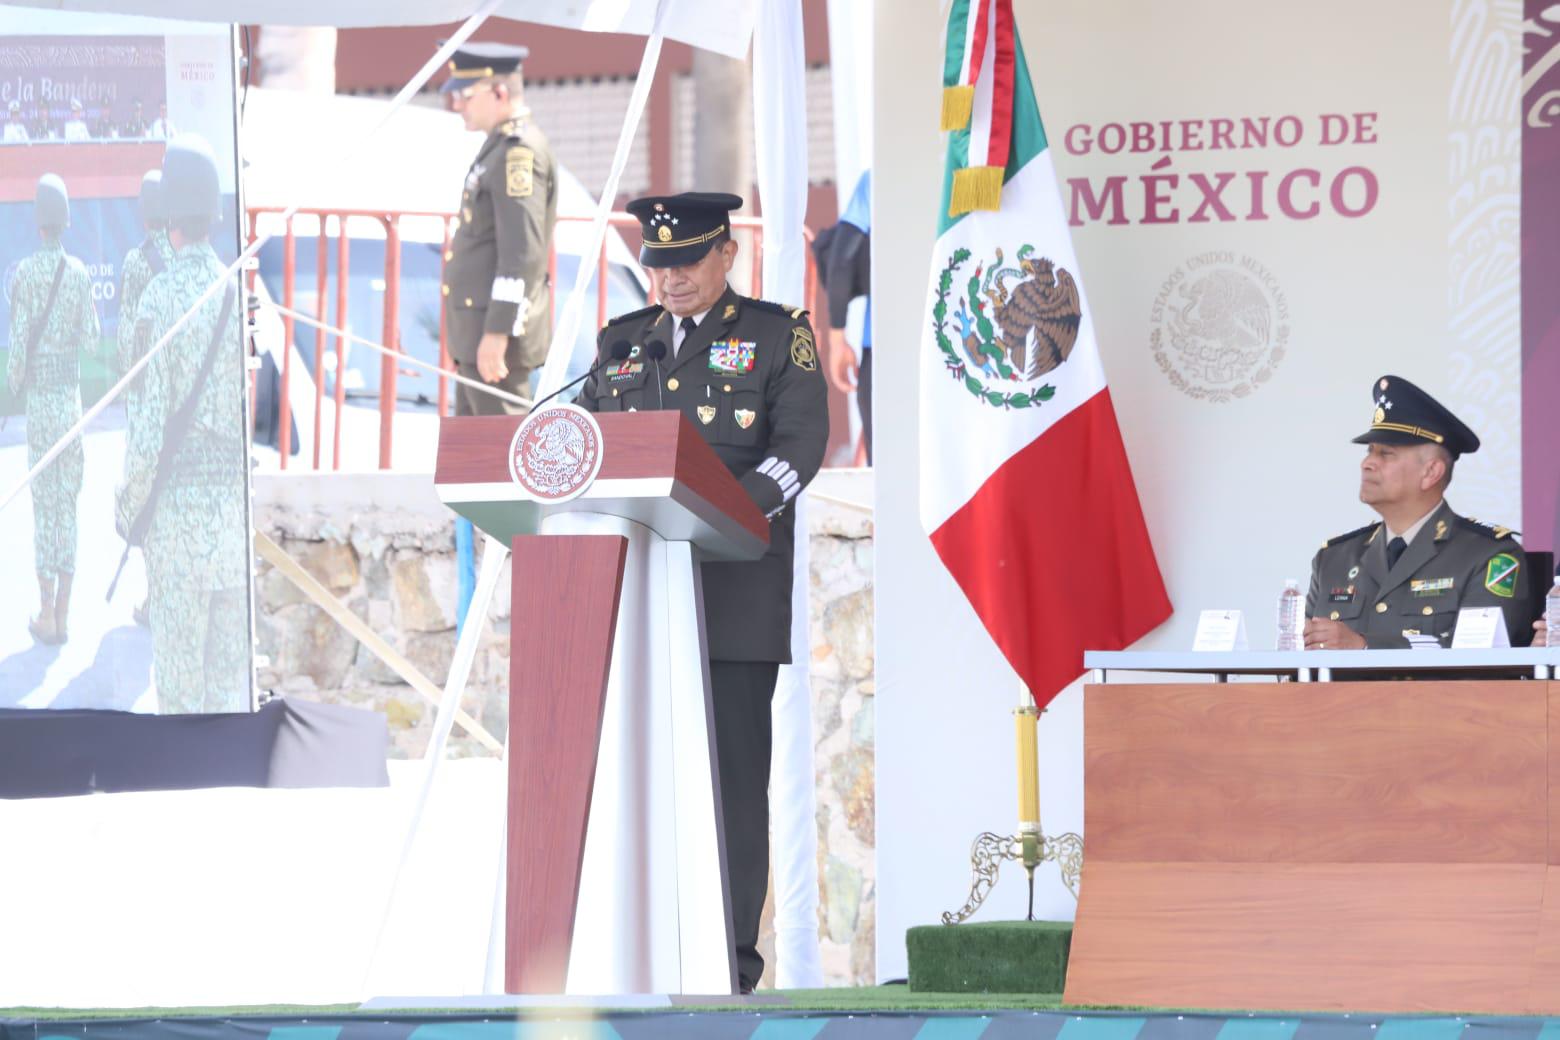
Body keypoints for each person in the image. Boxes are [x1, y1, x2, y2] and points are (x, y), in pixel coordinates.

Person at [576, 192, 829, 993]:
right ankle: (637, 955)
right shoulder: (623, 344)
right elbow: (582, 443)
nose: (672, 279)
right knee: (638, 785)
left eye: (688, 261)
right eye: (660, 265)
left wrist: (726, 513)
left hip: (732, 597)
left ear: (726, 254)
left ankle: (728, 968)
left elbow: (801, 447)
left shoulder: (775, 335)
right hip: (638, 601)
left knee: (730, 789)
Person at [115, 135, 248, 714]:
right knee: (225, 698)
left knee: (179, 699)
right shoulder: (238, 292)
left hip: (177, 534)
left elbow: (146, 437)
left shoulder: (159, 298)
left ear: (169, 214)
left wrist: (127, 508)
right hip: (232, 526)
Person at [1304, 374, 1538, 649]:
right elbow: (1299, 657)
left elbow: (1477, 655)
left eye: (1386, 454)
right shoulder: (1333, 559)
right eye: (1369, 451)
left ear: (1431, 472)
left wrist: (1365, 646)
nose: (1367, 463)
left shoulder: (1490, 556)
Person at [439, 42, 557, 415]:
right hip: (477, 334)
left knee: (504, 447)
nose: (457, 105)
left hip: (494, 336)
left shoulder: (517, 152)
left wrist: (498, 331)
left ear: (500, 93)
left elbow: (522, 252)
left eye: (465, 95)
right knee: (474, 450)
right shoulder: (499, 147)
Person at [7, 174, 99, 644]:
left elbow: (18, 346)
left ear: (38, 222)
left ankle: (46, 615)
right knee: (68, 505)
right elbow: (93, 340)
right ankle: (64, 613)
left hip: (42, 404)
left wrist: (13, 386)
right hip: (71, 403)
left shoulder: (24, 273)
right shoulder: (80, 273)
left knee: (45, 508)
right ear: (65, 221)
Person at [116, 170, 175, 628]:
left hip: (147, 397)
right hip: (182, 396)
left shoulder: (138, 263)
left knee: (149, 496)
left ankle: (157, 597)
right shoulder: (180, 256)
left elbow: (127, 341)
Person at [812, 168, 873, 461]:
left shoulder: (876, 179)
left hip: (884, 348)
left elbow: (842, 259)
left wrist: (837, 339)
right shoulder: (973, 174)